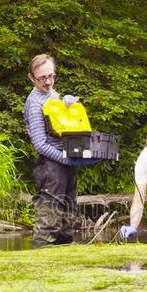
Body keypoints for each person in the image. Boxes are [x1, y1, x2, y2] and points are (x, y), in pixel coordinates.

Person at [23, 53, 98, 247]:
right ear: (32, 78)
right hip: (50, 168)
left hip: (67, 162)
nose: (48, 82)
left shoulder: (55, 96)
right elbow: (39, 144)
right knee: (48, 227)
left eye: (51, 76)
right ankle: (39, 267)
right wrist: (66, 160)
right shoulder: (34, 104)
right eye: (42, 78)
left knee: (67, 222)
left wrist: (68, 105)